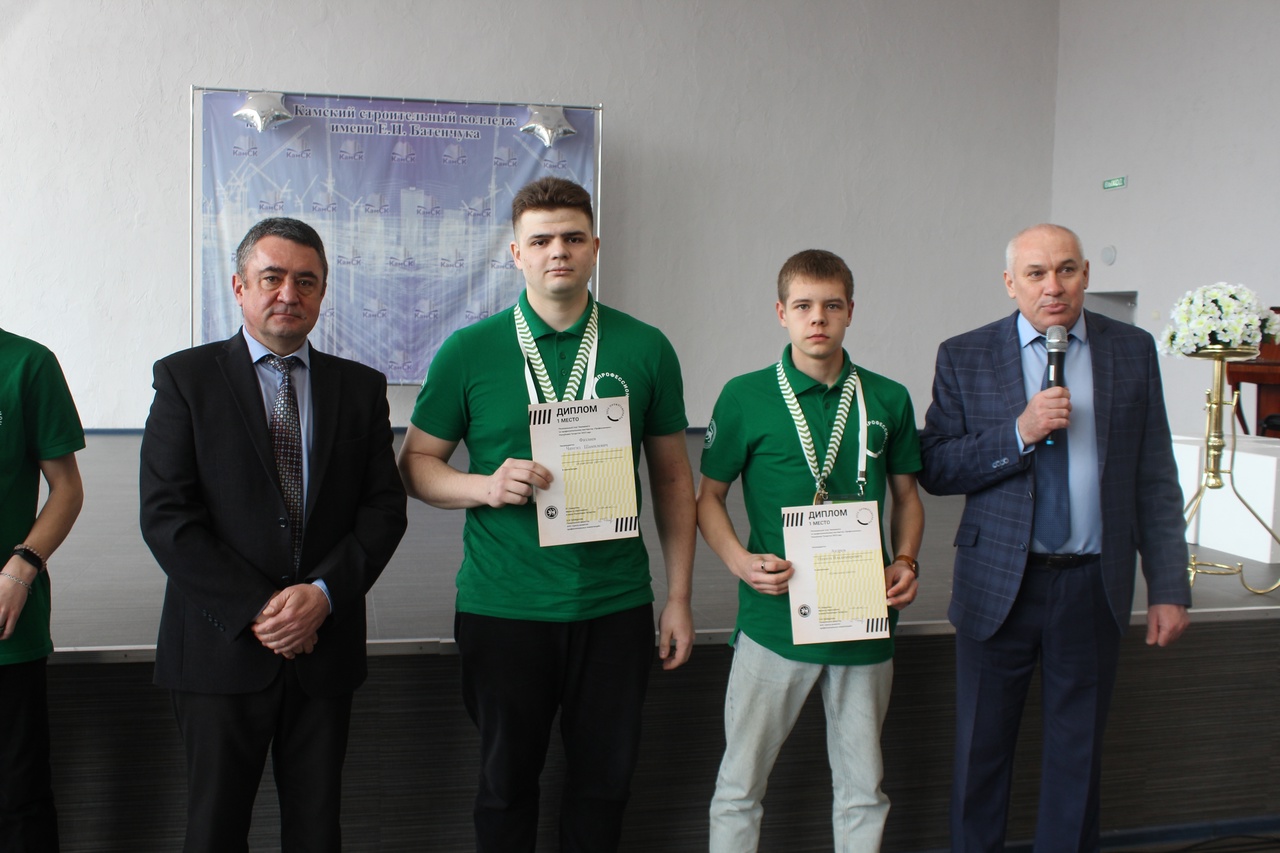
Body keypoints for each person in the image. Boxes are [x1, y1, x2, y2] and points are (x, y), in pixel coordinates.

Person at [397, 176, 696, 852]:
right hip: (504, 607)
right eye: (540, 240)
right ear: (516, 253)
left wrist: (678, 597)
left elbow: (674, 479)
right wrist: (484, 486)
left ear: (595, 247)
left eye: (571, 237)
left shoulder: (645, 346)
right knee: (505, 786)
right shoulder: (469, 350)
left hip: (615, 604)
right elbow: (414, 466)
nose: (557, 250)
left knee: (604, 788)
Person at [918, 224, 1191, 852]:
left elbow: (1154, 476)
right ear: (1010, 283)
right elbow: (936, 467)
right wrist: (1018, 432)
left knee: (1078, 761)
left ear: (1086, 275)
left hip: (1093, 585)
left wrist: (1169, 586)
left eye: (1066, 270)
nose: (1053, 286)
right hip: (998, 587)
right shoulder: (965, 354)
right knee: (980, 759)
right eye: (1036, 273)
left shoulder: (1132, 350)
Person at [139, 217, 408, 853]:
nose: (289, 293)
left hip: (324, 649)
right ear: (239, 287)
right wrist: (263, 609)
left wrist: (322, 595)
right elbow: (168, 517)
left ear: (322, 293)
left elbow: (383, 509)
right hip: (219, 650)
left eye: (306, 281)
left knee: (316, 833)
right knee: (214, 832)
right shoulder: (185, 380)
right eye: (272, 278)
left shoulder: (360, 388)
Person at [698, 249, 924, 851]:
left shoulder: (889, 397)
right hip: (773, 622)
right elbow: (708, 499)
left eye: (831, 305)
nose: (817, 318)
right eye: (803, 306)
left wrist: (905, 560)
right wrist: (739, 562)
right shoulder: (744, 396)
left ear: (851, 311)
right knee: (739, 786)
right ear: (782, 313)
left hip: (863, 619)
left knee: (863, 790)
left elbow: (908, 498)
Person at [0, 329, 85, 852]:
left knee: (18, 803)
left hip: (7, 633)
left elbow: (67, 490)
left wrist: (22, 567)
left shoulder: (27, 364)